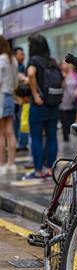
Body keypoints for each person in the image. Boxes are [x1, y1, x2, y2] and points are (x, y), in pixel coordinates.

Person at [24, 33, 65, 179]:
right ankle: (50, 169)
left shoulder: (33, 60)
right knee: (52, 137)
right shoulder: (52, 61)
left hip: (39, 104)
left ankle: (38, 170)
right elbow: (63, 82)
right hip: (53, 105)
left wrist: (35, 94)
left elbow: (30, 74)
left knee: (36, 137)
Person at [0, 36, 18, 174]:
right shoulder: (13, 60)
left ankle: (1, 165)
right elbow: (16, 83)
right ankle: (11, 163)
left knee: (1, 133)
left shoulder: (1, 60)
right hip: (10, 96)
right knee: (10, 132)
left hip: (1, 96)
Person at [13, 46, 29, 152]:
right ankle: (18, 143)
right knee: (17, 121)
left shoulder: (21, 66)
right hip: (14, 98)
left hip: (20, 99)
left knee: (20, 121)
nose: (23, 56)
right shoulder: (14, 65)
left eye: (23, 54)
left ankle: (21, 143)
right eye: (21, 54)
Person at [59, 60, 77, 142]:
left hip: (72, 101)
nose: (67, 65)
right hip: (62, 102)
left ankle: (67, 134)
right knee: (64, 121)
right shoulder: (59, 74)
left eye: (67, 63)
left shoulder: (73, 73)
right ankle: (65, 137)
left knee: (72, 119)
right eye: (64, 63)